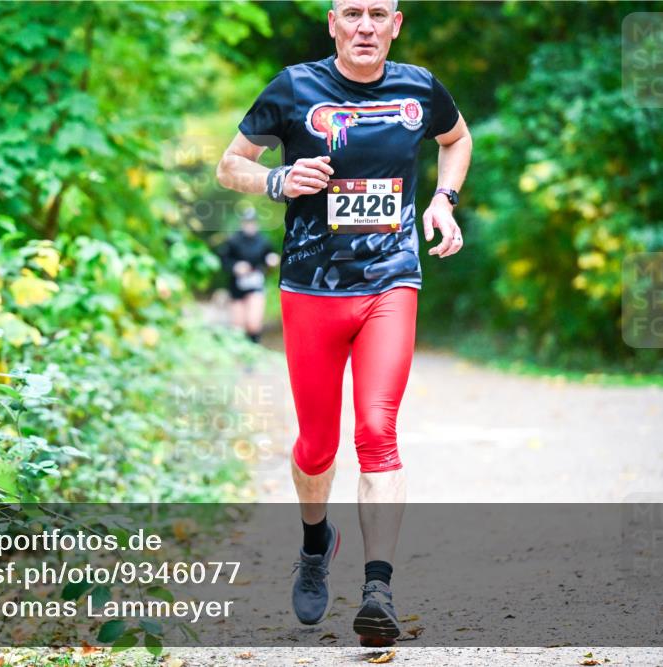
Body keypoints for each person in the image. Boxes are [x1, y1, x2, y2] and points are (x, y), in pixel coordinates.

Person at [215, 0, 472, 647]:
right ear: (332, 22)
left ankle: (378, 588)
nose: (364, 25)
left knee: (378, 430)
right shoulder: (295, 88)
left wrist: (444, 200)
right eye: (351, 12)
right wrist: (278, 178)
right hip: (311, 291)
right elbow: (229, 164)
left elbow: (457, 138)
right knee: (316, 446)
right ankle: (313, 540)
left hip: (391, 283)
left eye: (377, 13)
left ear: (395, 24)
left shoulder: (420, 89)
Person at [218, 207, 280, 344]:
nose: (250, 225)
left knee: (253, 323)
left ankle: (252, 355)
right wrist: (235, 266)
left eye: (252, 222)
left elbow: (269, 256)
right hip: (237, 285)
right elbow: (223, 261)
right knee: (237, 326)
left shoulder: (263, 241)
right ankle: (239, 355)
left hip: (255, 284)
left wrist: (271, 259)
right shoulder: (233, 241)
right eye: (247, 222)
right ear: (242, 223)